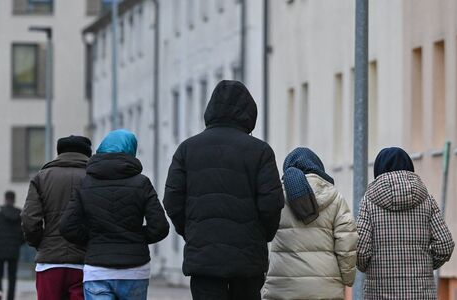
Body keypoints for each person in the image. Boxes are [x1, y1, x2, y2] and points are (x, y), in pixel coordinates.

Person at [164, 80, 285, 299]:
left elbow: (172, 199)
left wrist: (192, 230)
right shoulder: (260, 151)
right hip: (247, 258)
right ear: (248, 112)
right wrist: (261, 235)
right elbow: (272, 202)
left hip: (204, 259)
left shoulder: (187, 149)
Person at [61, 129, 169, 300]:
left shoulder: (86, 183)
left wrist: (93, 239)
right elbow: (160, 227)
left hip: (97, 269)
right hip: (135, 269)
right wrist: (136, 237)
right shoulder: (142, 183)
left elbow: (67, 226)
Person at [356, 147, 455, 299]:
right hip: (421, 294)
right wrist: (425, 266)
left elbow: (361, 250)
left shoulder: (368, 202)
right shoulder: (427, 200)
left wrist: (370, 267)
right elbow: (445, 245)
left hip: (379, 294)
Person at [263, 148, 357, 300]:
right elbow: (347, 242)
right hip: (326, 288)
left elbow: (262, 236)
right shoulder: (335, 198)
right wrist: (347, 279)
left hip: (282, 286)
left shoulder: (276, 198)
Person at [22, 135, 93, 300]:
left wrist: (40, 243)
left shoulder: (41, 177)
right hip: (84, 262)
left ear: (59, 152)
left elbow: (30, 219)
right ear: (88, 153)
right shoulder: (94, 178)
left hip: (50, 262)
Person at [0, 191, 25, 300]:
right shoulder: (20, 217)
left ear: (5, 199)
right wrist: (18, 243)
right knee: (12, 276)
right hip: (14, 251)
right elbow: (26, 232)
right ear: (14, 199)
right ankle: (10, 297)